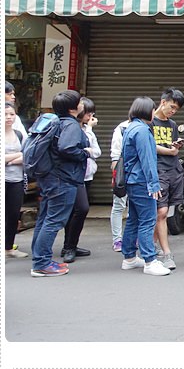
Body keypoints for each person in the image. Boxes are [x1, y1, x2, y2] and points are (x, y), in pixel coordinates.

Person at [30, 90, 89, 277]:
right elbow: (67, 147)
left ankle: (38, 257)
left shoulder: (56, 122)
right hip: (62, 179)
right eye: (79, 102)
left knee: (45, 218)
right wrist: (84, 153)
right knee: (54, 220)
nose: (82, 104)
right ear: (73, 108)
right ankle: (41, 263)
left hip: (49, 177)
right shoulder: (71, 125)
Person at [120, 96, 171, 276]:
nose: (153, 112)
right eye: (152, 109)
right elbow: (147, 159)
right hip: (142, 182)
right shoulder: (142, 130)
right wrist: (154, 184)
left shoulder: (130, 127)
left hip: (132, 181)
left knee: (134, 219)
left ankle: (129, 258)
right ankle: (150, 260)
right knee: (148, 220)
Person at [61, 97, 101, 263]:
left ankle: (70, 245)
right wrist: (86, 150)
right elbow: (75, 149)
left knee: (77, 211)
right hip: (72, 175)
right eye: (88, 112)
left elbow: (96, 151)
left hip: (86, 175)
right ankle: (69, 247)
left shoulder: (86, 129)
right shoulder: (71, 127)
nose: (91, 116)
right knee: (79, 209)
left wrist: (88, 145)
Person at [151, 87, 184, 269]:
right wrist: (170, 151)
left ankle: (151, 246)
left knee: (163, 213)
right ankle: (167, 253)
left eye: (176, 109)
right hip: (158, 171)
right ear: (163, 102)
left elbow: (171, 147)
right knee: (162, 212)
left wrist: (176, 147)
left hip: (173, 170)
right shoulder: (149, 122)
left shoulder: (172, 124)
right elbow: (149, 145)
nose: (173, 111)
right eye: (172, 107)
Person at [4, 102, 28, 259]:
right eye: (5, 114)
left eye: (12, 114)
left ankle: (8, 248)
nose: (8, 117)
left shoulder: (19, 134)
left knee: (13, 214)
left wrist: (9, 161)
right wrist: (17, 156)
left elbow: (28, 155)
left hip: (16, 179)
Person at [109, 118, 131, 252]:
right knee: (119, 205)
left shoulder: (148, 126)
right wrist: (116, 172)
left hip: (139, 172)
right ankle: (117, 239)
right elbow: (115, 153)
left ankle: (131, 237)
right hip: (123, 169)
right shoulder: (122, 128)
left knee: (134, 207)